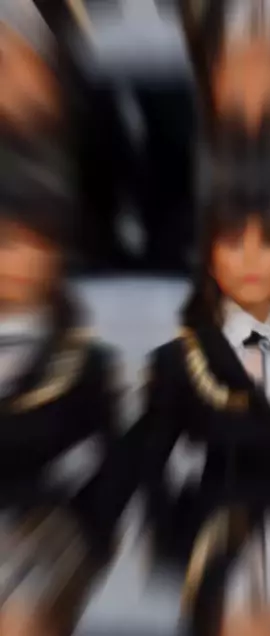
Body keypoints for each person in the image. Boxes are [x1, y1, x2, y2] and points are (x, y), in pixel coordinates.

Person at [77, 145, 270, 636]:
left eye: (269, 244)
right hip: (219, 532)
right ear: (209, 257)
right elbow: (146, 457)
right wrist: (169, 535)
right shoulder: (184, 359)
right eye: (233, 244)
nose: (251, 262)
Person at [0, 152, 121, 636]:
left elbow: (107, 474)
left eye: (37, 245)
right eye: (7, 244)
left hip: (43, 529)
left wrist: (85, 538)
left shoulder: (84, 365)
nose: (18, 263)